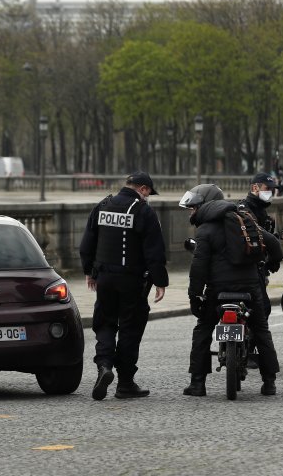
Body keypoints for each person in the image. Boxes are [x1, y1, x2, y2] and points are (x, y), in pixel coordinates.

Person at [179, 183, 282, 396]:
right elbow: (273, 244)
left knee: (203, 330)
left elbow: (198, 267)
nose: (192, 211)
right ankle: (269, 382)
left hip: (218, 290)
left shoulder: (205, 231)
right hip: (250, 287)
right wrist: (271, 264)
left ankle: (197, 383)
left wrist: (194, 295)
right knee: (262, 331)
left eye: (194, 207)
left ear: (205, 204)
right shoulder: (245, 220)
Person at [79, 171, 169, 400]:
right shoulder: (143, 211)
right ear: (144, 189)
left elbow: (88, 242)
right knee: (130, 329)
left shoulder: (103, 205)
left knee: (105, 324)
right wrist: (160, 281)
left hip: (105, 278)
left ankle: (104, 366)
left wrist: (89, 271)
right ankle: (125, 383)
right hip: (132, 279)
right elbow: (154, 251)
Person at [237, 173, 278, 366]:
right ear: (255, 188)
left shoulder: (263, 213)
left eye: (272, 190)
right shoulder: (245, 210)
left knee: (260, 309)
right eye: (267, 189)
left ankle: (248, 348)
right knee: (260, 308)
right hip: (247, 268)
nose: (270, 193)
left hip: (259, 268)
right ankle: (248, 350)